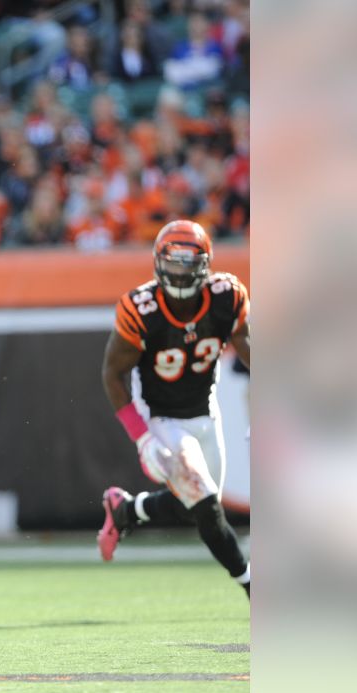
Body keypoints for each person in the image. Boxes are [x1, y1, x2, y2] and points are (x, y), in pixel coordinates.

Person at [97, 220, 252, 597]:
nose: (180, 272)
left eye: (189, 263)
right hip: (162, 419)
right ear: (158, 262)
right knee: (204, 507)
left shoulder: (226, 295)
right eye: (174, 262)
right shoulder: (142, 308)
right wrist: (141, 437)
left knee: (198, 503)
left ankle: (128, 510)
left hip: (204, 411)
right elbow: (112, 374)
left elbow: (250, 347)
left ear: (206, 264)